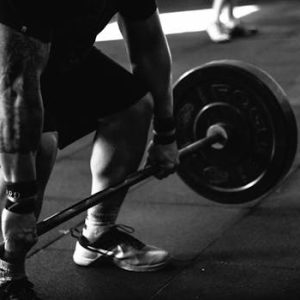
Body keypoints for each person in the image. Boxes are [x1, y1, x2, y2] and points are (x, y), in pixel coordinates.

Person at [0, 1, 179, 299]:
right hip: (9, 64)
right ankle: (9, 274)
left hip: (55, 57)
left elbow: (148, 47)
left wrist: (166, 133)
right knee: (40, 146)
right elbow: (15, 90)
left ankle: (98, 233)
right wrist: (19, 203)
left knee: (133, 108)